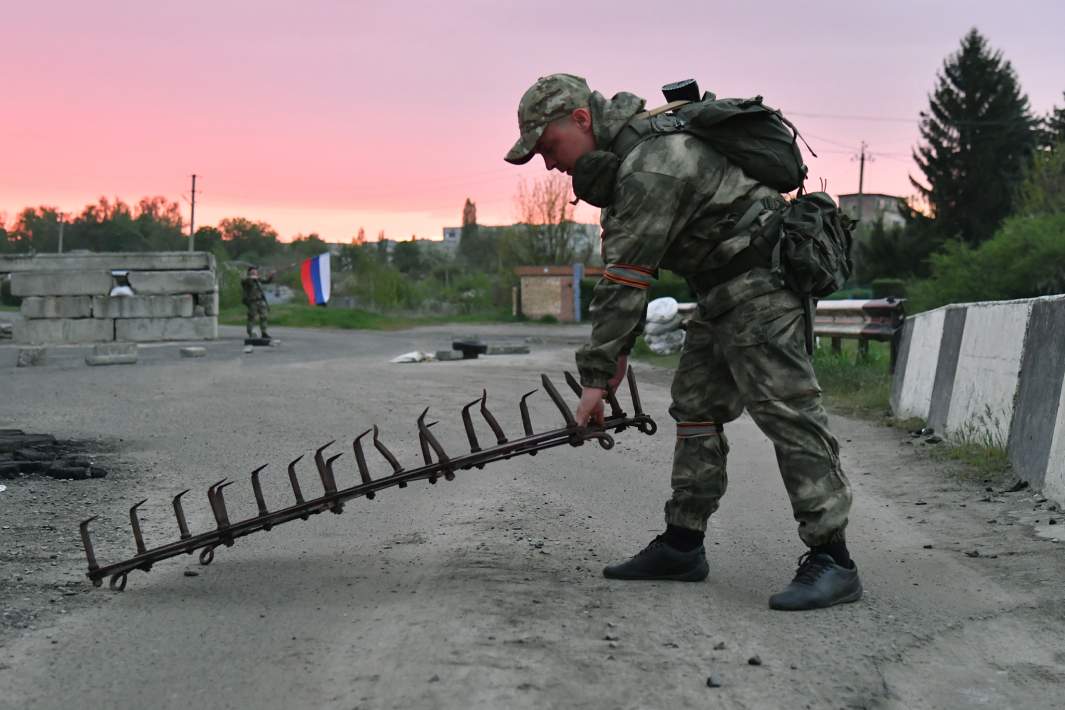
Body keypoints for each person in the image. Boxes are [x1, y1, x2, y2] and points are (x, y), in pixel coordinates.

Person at [503, 73, 861, 611]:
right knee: (695, 407)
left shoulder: (651, 164)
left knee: (787, 412)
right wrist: (614, 358)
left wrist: (597, 379)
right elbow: (627, 272)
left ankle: (834, 559)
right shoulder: (631, 163)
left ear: (581, 119)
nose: (549, 164)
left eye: (549, 147)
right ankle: (683, 543)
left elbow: (626, 278)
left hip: (763, 288)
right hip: (720, 294)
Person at [241, 267, 274, 339]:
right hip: (252, 302)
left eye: (255, 271)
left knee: (264, 317)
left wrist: (271, 276)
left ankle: (264, 332)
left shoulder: (258, 280)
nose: (254, 273)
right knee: (252, 318)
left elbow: (267, 281)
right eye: (252, 272)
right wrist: (253, 277)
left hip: (261, 301)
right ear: (249, 273)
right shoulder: (247, 280)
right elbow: (245, 281)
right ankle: (250, 332)